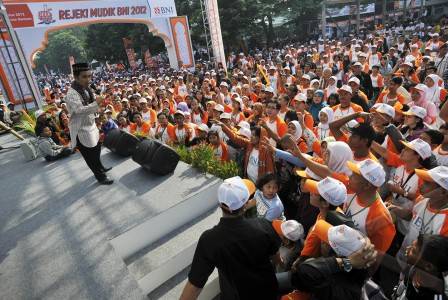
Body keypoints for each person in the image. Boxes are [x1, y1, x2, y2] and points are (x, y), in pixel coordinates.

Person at [180, 176, 282, 300]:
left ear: (220, 204)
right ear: (245, 204)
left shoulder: (210, 239)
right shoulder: (263, 225)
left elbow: (194, 285)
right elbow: (276, 258)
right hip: (268, 292)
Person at [64, 63, 113, 185]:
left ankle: (100, 166)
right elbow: (79, 111)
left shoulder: (87, 88)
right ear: (76, 77)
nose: (88, 79)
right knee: (90, 156)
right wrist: (96, 104)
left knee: (96, 148)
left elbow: (90, 106)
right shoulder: (71, 94)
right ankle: (100, 176)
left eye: (89, 76)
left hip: (91, 124)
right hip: (80, 129)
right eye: (84, 77)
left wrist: (99, 108)